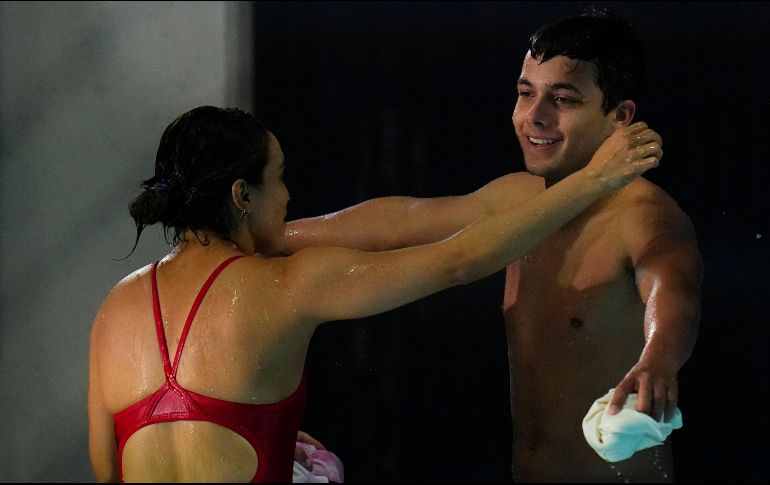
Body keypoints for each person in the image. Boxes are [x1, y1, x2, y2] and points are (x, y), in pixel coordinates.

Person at [87, 105, 660, 482]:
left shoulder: (115, 308)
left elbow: (108, 468)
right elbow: (460, 261)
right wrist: (593, 180)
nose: (288, 195)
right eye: (280, 177)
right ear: (242, 194)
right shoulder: (285, 286)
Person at [281, 8, 702, 482]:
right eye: (526, 94)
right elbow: (399, 221)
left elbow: (675, 291)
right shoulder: (518, 199)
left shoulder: (644, 214)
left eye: (562, 99)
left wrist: (658, 361)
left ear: (619, 117)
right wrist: (269, 238)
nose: (535, 117)